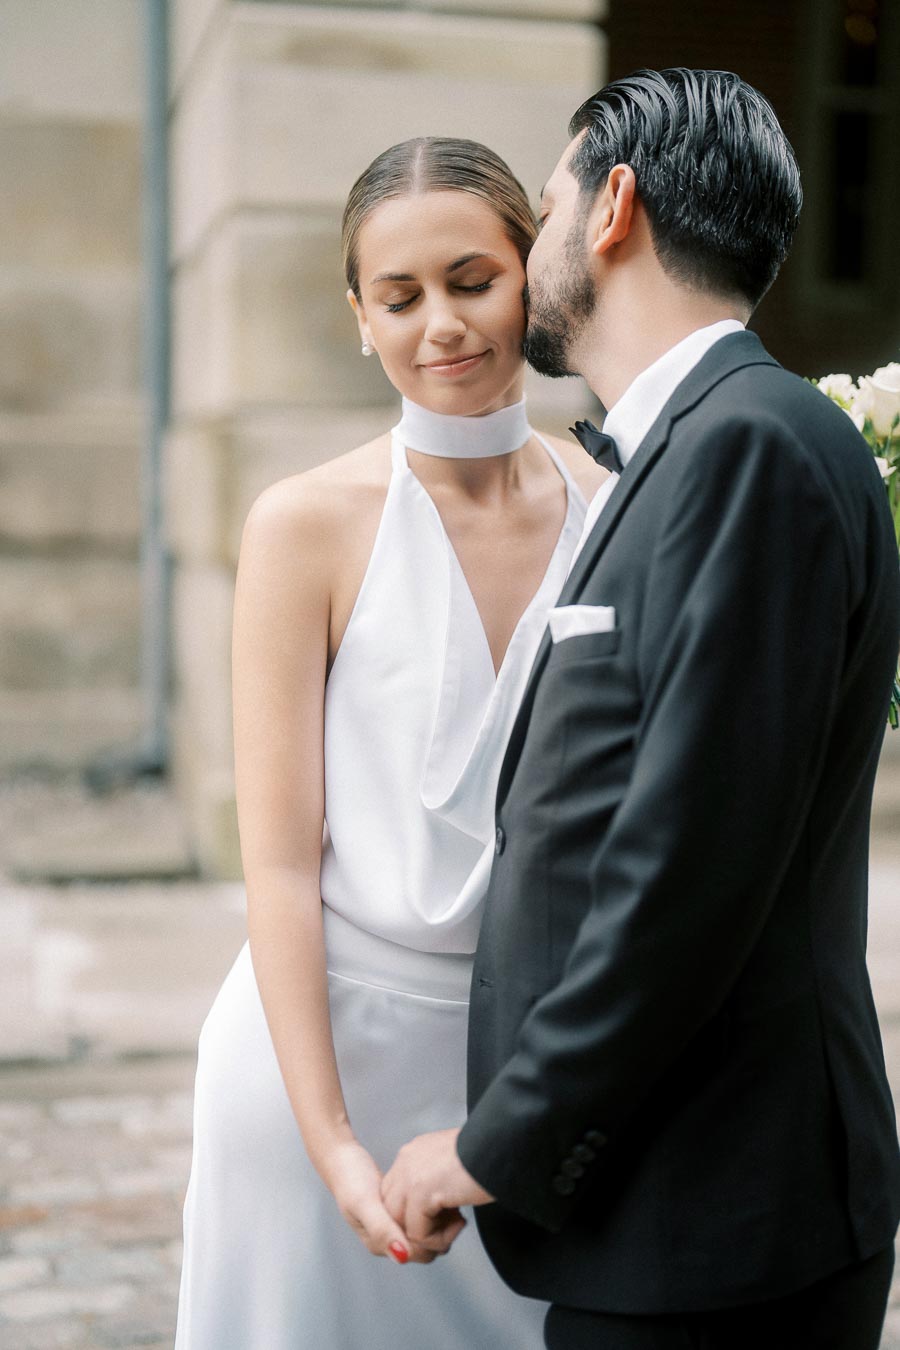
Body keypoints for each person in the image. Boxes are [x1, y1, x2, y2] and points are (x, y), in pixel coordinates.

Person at [381, 69, 900, 1350]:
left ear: (613, 207)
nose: (537, 239)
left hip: (717, 1225)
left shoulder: (748, 448)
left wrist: (499, 1141)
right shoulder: (704, 441)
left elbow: (689, 869)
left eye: (550, 203)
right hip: (675, 1217)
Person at [172, 136, 607, 1348]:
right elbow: (276, 866)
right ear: (359, 317)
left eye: (473, 280)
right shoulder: (301, 525)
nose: (443, 327)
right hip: (320, 1069)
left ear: (535, 274)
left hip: (520, 1086)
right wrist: (333, 1144)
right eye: (400, 297)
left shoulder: (612, 506)